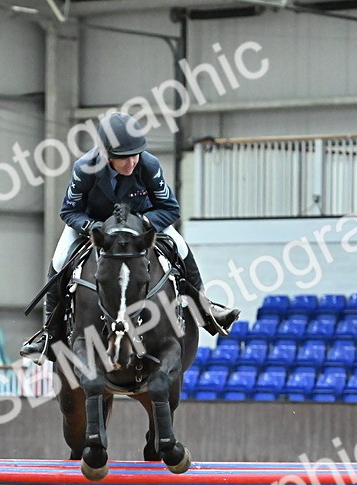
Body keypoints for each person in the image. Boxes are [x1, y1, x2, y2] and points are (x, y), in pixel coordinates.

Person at [19, 112, 240, 363]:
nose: (132, 162)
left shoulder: (148, 165)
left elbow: (170, 209)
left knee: (180, 245)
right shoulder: (85, 168)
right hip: (96, 227)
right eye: (124, 158)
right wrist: (93, 227)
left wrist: (145, 223)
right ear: (105, 155)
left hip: (141, 225)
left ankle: (205, 307)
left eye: (135, 154)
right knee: (60, 259)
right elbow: (68, 211)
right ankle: (50, 332)